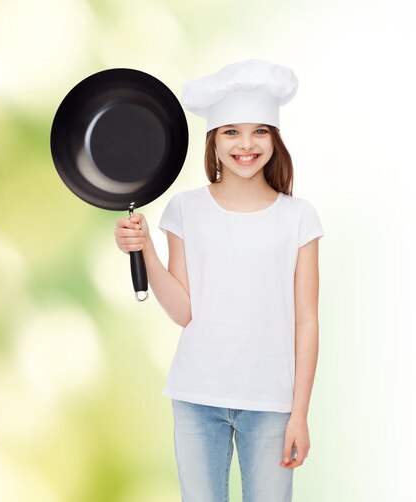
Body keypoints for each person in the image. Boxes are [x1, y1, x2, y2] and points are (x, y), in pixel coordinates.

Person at [114, 59, 324, 502]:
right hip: (196, 396)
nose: (246, 145)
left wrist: (299, 413)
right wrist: (145, 249)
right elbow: (184, 311)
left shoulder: (298, 217)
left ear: (274, 138)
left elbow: (306, 320)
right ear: (212, 140)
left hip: (271, 403)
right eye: (231, 131)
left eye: (259, 131)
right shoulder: (186, 210)